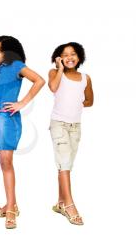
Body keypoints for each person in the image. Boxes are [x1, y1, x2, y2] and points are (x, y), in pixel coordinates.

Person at [0, 36, 45, 229]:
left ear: (9, 53)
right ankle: (12, 204)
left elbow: (39, 80)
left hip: (7, 118)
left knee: (6, 162)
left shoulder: (17, 66)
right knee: (3, 162)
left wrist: (22, 103)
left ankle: (11, 208)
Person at [48, 42, 93, 225]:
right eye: (64, 55)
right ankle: (70, 205)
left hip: (76, 126)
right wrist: (59, 69)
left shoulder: (85, 78)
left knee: (65, 164)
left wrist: (76, 102)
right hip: (59, 124)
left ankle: (60, 202)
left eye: (73, 54)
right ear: (58, 59)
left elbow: (90, 101)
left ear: (79, 57)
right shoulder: (54, 73)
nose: (69, 57)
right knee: (64, 163)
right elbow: (53, 87)